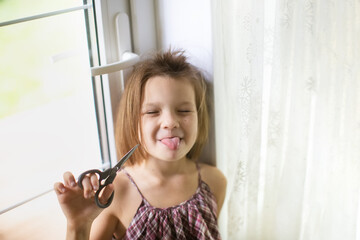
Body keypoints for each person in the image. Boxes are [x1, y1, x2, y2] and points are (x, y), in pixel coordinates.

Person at [54, 49, 227, 240]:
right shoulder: (115, 193)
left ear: (199, 117)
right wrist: (78, 225)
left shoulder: (215, 182)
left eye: (184, 110)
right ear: (133, 122)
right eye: (153, 112)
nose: (170, 122)